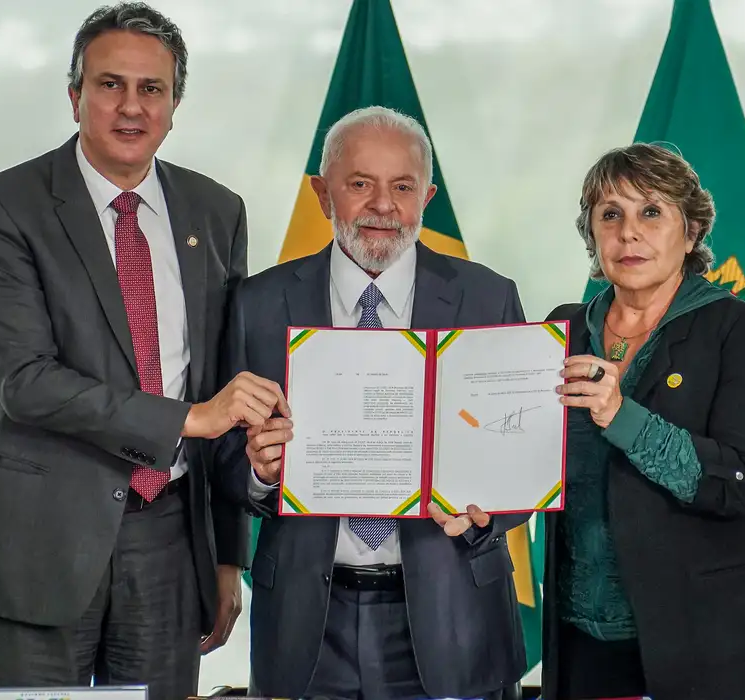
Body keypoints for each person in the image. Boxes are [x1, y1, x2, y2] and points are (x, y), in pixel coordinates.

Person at [0, 4, 290, 699]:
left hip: (169, 542)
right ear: (75, 96)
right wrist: (188, 419)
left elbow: (226, 385)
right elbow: (26, 381)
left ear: (174, 105)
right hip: (35, 539)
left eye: (151, 88)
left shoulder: (217, 212)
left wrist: (226, 555)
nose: (131, 107)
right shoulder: (0, 208)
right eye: (110, 85)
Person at [213, 106, 529, 700]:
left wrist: (489, 511)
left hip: (455, 614)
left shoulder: (487, 298)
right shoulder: (259, 304)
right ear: (322, 194)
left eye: (402, 187)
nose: (383, 205)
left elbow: (522, 461)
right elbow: (223, 461)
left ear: (426, 198)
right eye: (360, 183)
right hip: (307, 623)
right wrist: (259, 471)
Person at [542, 143, 745, 699]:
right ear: (591, 233)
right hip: (582, 637)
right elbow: (529, 462)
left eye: (652, 212)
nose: (629, 232)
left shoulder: (744, 330)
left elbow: (742, 481)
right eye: (611, 214)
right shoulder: (562, 330)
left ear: (692, 230)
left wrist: (621, 416)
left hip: (709, 638)